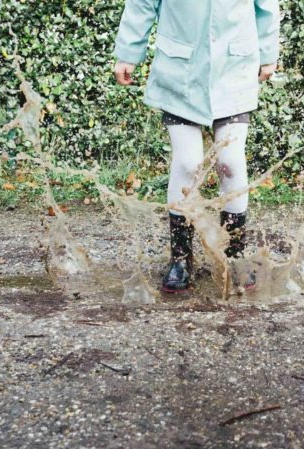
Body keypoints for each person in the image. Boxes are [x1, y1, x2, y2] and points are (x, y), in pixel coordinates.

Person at [113, 0, 281, 293]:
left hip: (235, 68)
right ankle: (180, 257)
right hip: (180, 72)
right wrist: (128, 53)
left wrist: (268, 54)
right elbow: (142, 4)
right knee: (188, 164)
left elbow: (266, 5)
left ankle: (234, 255)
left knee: (231, 162)